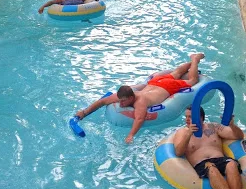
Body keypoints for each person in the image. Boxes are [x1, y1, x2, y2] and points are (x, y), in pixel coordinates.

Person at [74, 53, 205, 144]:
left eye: (124, 101)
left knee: (192, 80)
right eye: (121, 100)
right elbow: (102, 101)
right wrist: (84, 113)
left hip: (167, 87)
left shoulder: (140, 101)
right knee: (175, 73)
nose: (122, 103)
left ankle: (195, 60)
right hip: (156, 82)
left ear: (131, 97)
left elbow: (140, 118)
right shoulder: (125, 96)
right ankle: (192, 60)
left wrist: (131, 135)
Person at [172, 107, 246, 189]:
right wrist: (189, 133)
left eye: (190, 116)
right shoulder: (182, 132)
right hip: (202, 163)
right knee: (211, 168)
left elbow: (239, 136)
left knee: (231, 164)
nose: (187, 119)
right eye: (186, 117)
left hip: (220, 159)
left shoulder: (213, 127)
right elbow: (178, 152)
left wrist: (232, 125)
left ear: (201, 117)